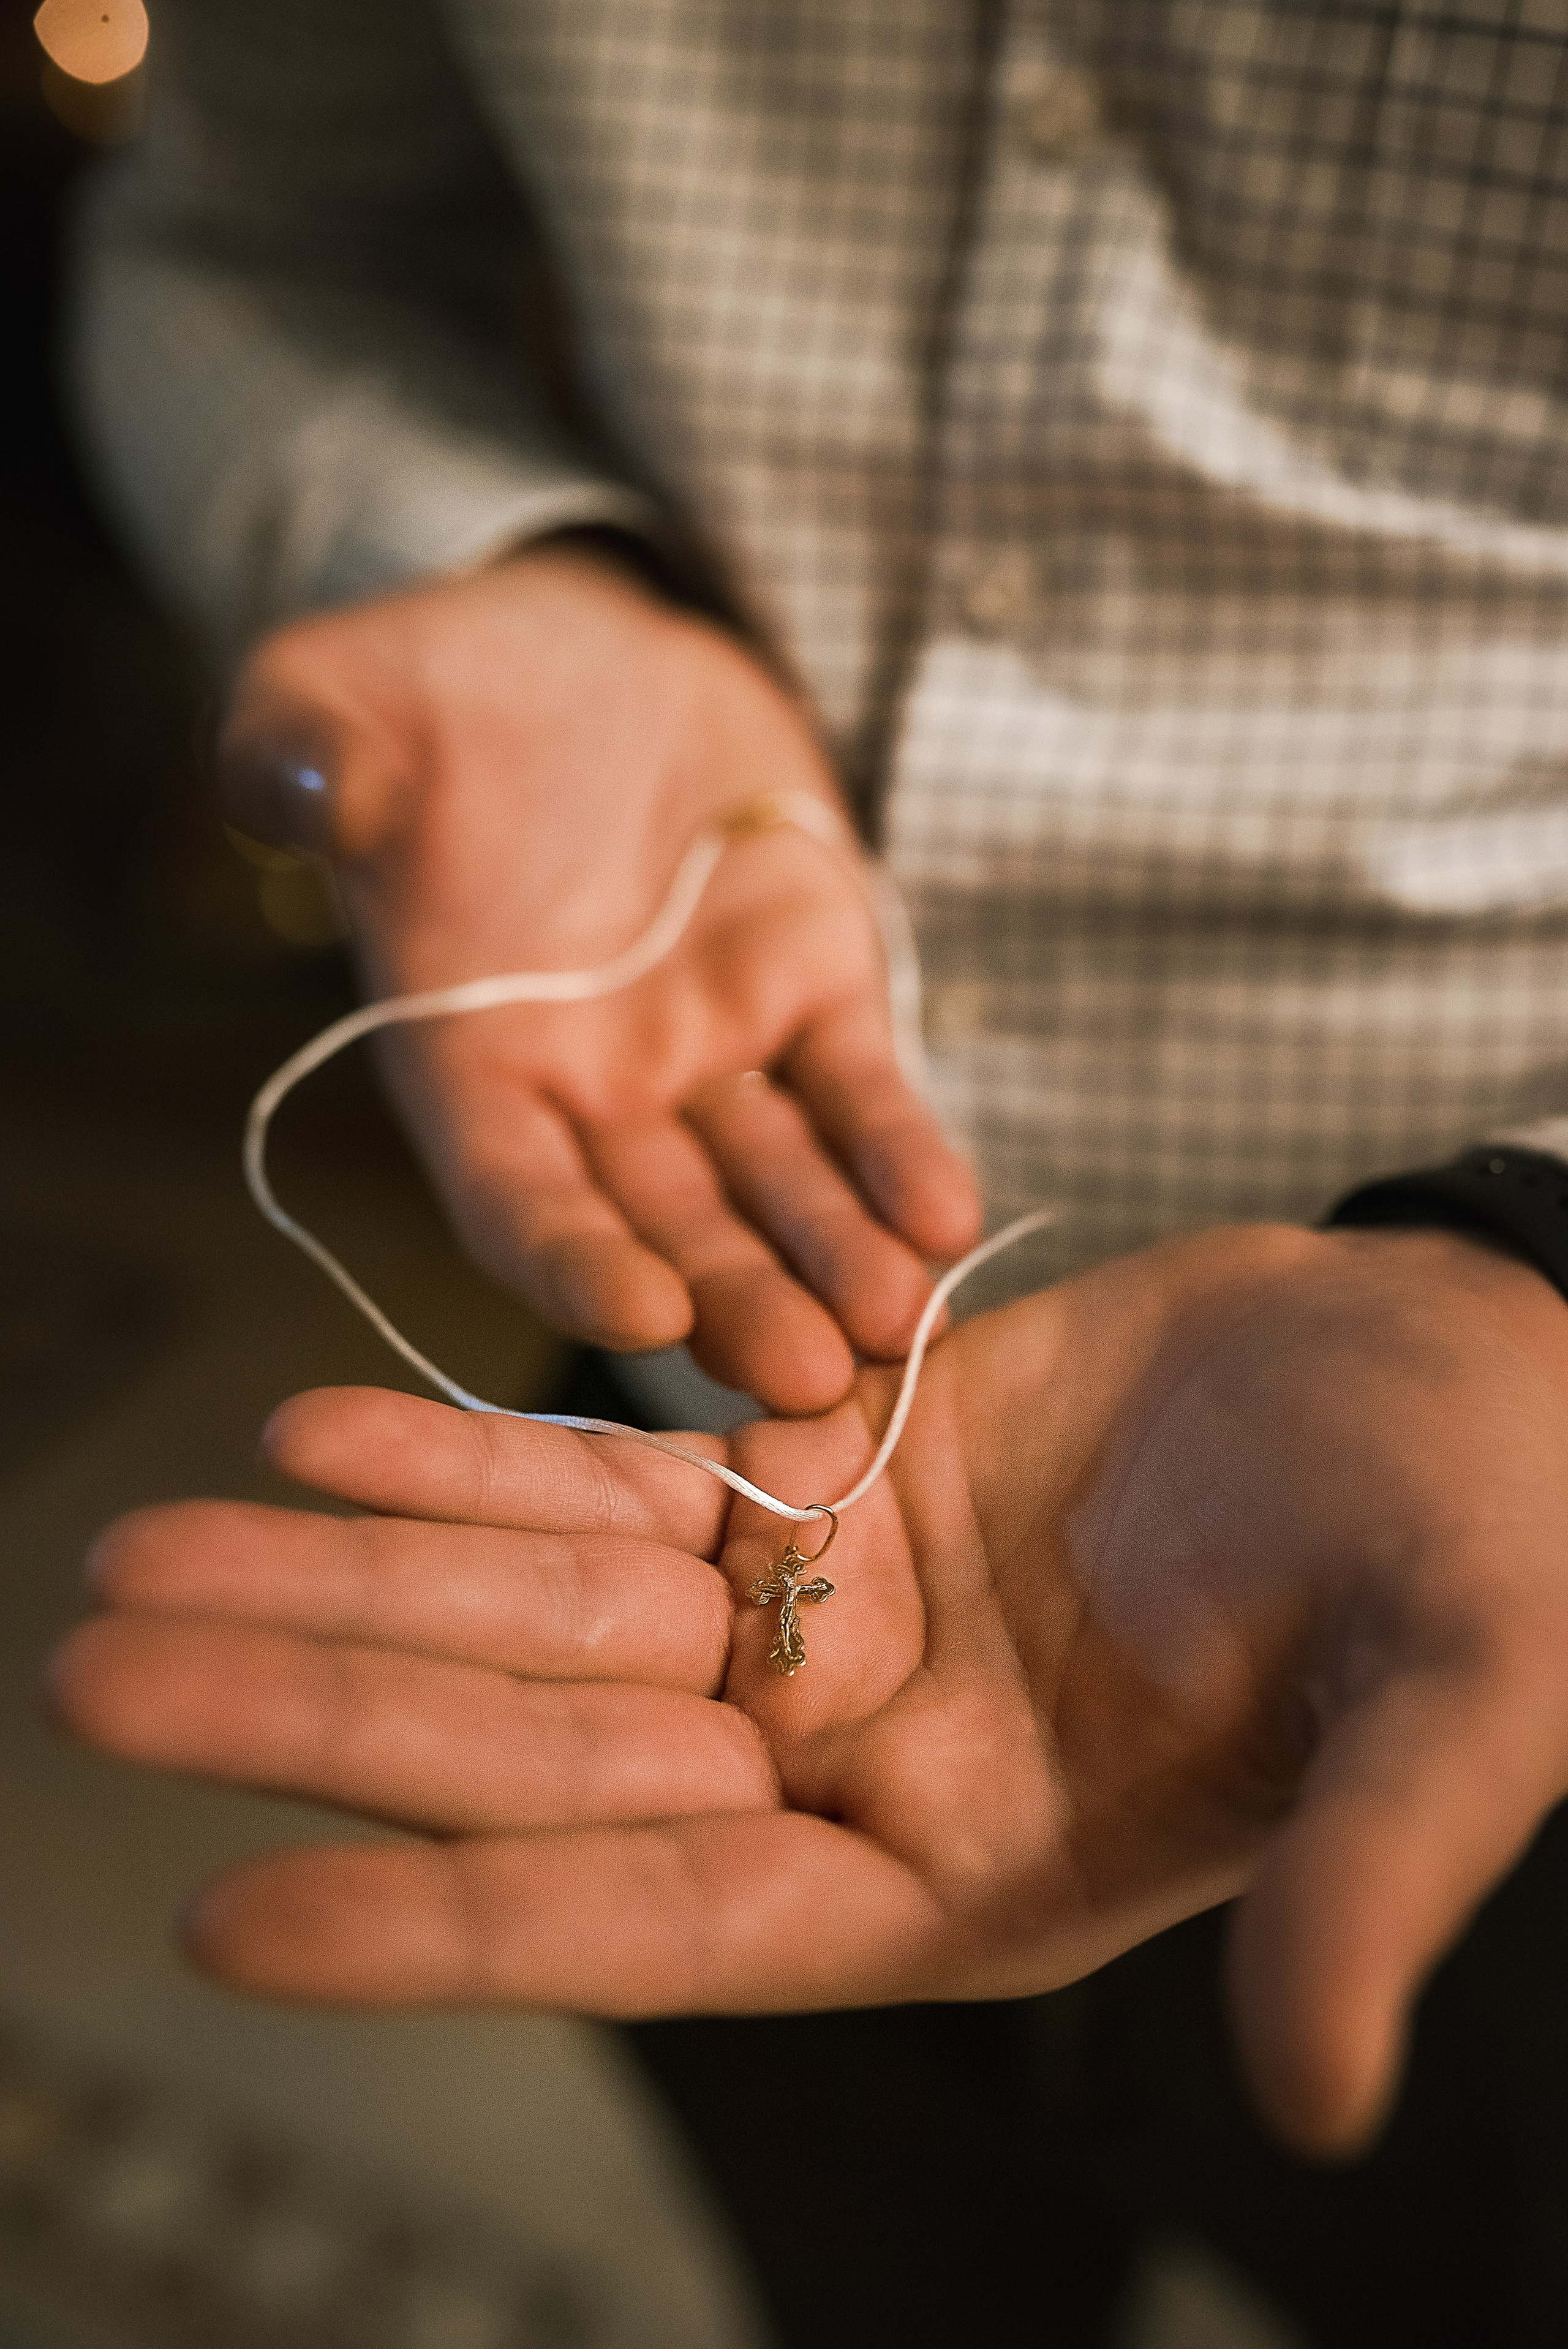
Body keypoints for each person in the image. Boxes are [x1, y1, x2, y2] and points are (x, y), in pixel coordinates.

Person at [62, 4, 1568, 2339]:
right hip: (693, 1485)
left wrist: (1531, 1254)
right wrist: (491, 557)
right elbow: (247, 244)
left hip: (1482, 1539)